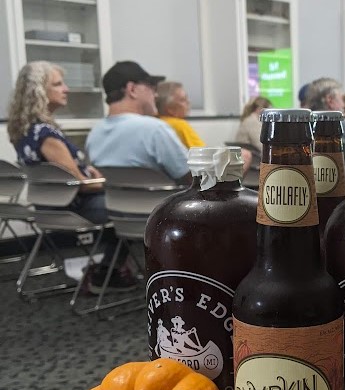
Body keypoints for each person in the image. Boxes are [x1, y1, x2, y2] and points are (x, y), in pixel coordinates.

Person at [6, 60, 136, 292]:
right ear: (39, 91)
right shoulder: (47, 135)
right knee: (133, 206)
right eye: (58, 84)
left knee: (122, 203)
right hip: (74, 208)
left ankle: (111, 268)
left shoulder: (24, 132)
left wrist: (90, 175)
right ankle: (109, 272)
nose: (66, 89)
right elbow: (79, 185)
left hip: (48, 209)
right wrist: (105, 181)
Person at [86, 61, 191, 185]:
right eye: (152, 87)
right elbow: (190, 177)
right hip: (159, 203)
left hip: (113, 204)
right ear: (132, 89)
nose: (156, 95)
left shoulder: (95, 132)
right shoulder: (154, 129)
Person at [156, 81, 204, 149]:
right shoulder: (181, 126)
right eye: (183, 100)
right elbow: (204, 154)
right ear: (170, 108)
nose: (188, 102)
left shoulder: (152, 123)